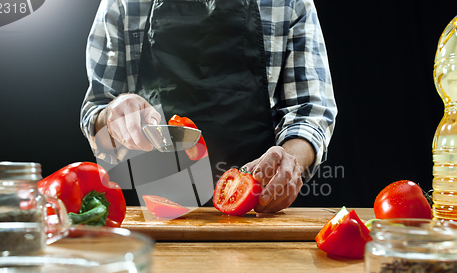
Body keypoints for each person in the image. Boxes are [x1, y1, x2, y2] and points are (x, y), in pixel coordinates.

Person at [80, 0, 337, 213]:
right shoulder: (124, 3)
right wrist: (114, 114)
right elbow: (98, 109)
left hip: (257, 208)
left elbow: (310, 110)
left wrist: (290, 158)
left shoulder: (288, 3)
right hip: (157, 213)